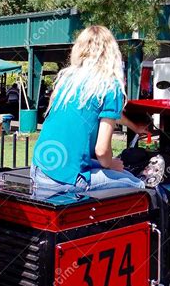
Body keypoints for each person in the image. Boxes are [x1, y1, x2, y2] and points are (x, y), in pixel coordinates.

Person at [31, 25, 150, 197]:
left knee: (114, 168)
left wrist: (134, 127)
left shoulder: (67, 81)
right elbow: (102, 152)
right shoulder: (111, 86)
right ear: (112, 52)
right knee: (136, 182)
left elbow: (105, 113)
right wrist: (111, 165)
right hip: (67, 180)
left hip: (39, 170)